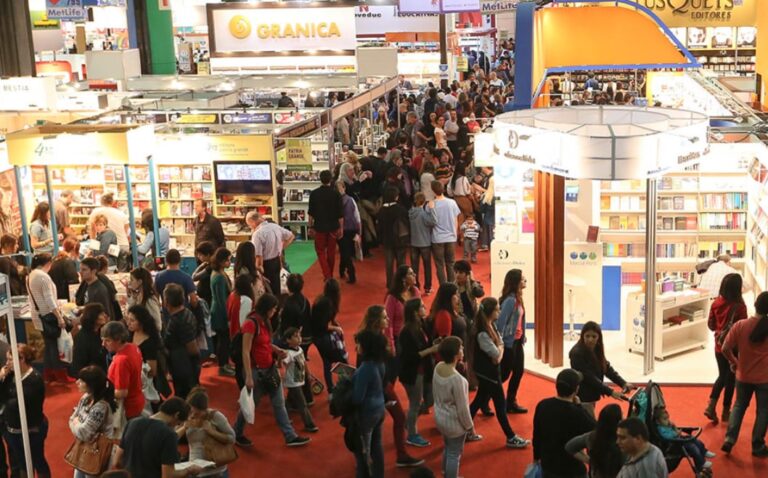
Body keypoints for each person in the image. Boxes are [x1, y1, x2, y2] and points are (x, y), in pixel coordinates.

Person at [232, 293, 310, 448]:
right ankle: (236, 432)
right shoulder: (251, 324)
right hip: (256, 371)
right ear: (267, 308)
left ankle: (290, 435)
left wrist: (275, 349)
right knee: (250, 405)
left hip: (269, 367)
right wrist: (248, 376)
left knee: (279, 403)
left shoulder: (264, 321)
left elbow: (265, 343)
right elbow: (245, 351)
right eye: (274, 308)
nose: (275, 311)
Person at [357, 306, 424, 467]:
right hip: (381, 387)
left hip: (385, 384)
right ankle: (387, 457)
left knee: (385, 423)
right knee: (379, 425)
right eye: (384, 317)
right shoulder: (371, 341)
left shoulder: (375, 337)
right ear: (376, 321)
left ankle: (389, 456)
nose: (388, 320)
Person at [469, 297, 529, 448]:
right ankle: (510, 436)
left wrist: (499, 350)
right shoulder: (483, 333)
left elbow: (499, 347)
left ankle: (465, 430)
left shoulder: (491, 326)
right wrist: (499, 351)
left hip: (490, 372)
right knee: (500, 406)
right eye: (497, 309)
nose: (500, 312)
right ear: (490, 312)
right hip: (488, 374)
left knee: (478, 401)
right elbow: (496, 355)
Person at [721, 291, 768, 456]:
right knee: (763, 411)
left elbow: (725, 348)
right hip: (765, 378)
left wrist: (735, 362)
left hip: (743, 375)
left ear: (755, 305)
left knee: (739, 405)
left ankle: (729, 439)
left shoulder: (741, 325)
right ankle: (757, 445)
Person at [114, 397, 201, 478]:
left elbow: (117, 461)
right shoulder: (168, 434)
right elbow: (168, 475)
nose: (176, 427)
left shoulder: (132, 423)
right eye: (178, 423)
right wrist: (188, 470)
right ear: (177, 415)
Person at [533, 369, 597, 478]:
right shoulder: (577, 413)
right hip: (572, 469)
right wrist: (579, 406)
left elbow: (537, 435)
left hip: (548, 465)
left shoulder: (543, 405)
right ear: (576, 390)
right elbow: (594, 429)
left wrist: (536, 458)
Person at [0, 345, 50, 478]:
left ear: (21, 359)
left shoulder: (34, 379)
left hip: (32, 430)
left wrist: (6, 401)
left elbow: (17, 405)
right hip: (12, 429)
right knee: (21, 462)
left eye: (10, 360)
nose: (7, 363)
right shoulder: (10, 375)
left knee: (37, 460)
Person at [705, 272, 747, 424]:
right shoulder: (740, 307)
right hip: (733, 348)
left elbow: (710, 325)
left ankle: (711, 406)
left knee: (722, 376)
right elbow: (742, 329)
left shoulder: (716, 303)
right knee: (730, 379)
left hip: (718, 346)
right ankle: (725, 411)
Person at [399, 299, 439, 448]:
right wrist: (431, 350)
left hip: (425, 370)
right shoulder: (406, 332)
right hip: (413, 373)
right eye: (422, 306)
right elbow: (411, 356)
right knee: (415, 404)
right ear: (415, 312)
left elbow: (426, 344)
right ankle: (412, 434)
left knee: (430, 399)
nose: (425, 308)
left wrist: (434, 344)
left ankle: (409, 422)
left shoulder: (422, 324)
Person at [569, 321, 631, 418]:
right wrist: (610, 392)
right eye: (587, 336)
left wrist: (623, 383)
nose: (590, 339)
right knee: (588, 423)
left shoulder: (596, 348)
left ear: (599, 337)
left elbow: (606, 368)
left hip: (591, 394)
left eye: (594, 336)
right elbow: (589, 377)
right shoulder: (576, 353)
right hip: (582, 396)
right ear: (582, 336)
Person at [432, 336, 473, 478]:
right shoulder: (458, 380)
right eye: (460, 347)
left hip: (440, 417)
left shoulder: (438, 367)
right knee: (455, 454)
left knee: (448, 448)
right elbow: (463, 409)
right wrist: (469, 426)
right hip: (454, 424)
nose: (462, 349)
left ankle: (445, 473)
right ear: (456, 355)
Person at [351, 330, 388, 478]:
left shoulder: (365, 368)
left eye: (359, 343)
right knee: (377, 445)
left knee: (363, 451)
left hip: (367, 412)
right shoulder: (380, 362)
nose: (357, 347)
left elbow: (357, 398)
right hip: (379, 408)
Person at [28, 253, 69, 383]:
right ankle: (60, 374)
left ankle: (48, 374)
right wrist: (59, 317)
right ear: (48, 263)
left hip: (39, 315)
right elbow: (49, 299)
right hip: (47, 315)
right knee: (53, 346)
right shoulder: (43, 277)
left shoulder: (31, 275)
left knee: (49, 345)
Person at [177, 387, 236, 478]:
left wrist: (212, 432)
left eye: (197, 413)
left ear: (205, 409)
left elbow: (232, 438)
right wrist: (184, 427)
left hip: (216, 471)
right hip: (195, 470)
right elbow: (173, 438)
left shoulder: (215, 416)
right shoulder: (186, 416)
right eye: (191, 411)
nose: (193, 415)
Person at [68, 365, 116, 478]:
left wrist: (75, 421)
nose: (77, 382)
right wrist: (75, 422)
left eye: (82, 380)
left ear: (91, 384)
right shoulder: (85, 398)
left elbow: (84, 433)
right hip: (83, 448)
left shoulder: (101, 407)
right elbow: (72, 419)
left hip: (97, 452)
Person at [496, 269, 528, 413]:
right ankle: (484, 399)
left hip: (517, 342)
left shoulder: (517, 298)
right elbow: (500, 323)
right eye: (522, 279)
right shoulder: (510, 300)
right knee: (503, 374)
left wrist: (522, 335)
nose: (524, 280)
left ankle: (510, 401)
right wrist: (500, 342)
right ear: (516, 282)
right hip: (509, 343)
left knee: (518, 371)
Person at [127, 304, 171, 407]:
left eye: (132, 321)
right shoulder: (130, 334)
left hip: (147, 383)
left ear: (141, 322)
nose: (128, 323)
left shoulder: (149, 342)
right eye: (128, 319)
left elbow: (152, 371)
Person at [101, 321, 145, 421]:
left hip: (127, 408)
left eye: (107, 340)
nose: (103, 344)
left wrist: (102, 392)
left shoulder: (121, 360)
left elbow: (121, 393)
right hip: (137, 399)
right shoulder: (133, 347)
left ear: (119, 339)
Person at [565, 404, 624, 478]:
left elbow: (570, 447)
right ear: (618, 421)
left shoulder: (592, 437)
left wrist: (589, 461)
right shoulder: (623, 441)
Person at [163, 284, 201, 398]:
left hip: (184, 366)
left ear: (167, 302)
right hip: (184, 364)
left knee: (186, 397)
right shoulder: (186, 313)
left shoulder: (179, 321)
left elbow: (192, 348)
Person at [654, 405, 715, 474]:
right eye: (665, 419)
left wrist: (674, 427)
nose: (668, 421)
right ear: (658, 421)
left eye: (668, 418)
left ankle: (704, 451)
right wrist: (676, 433)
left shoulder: (667, 425)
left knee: (695, 440)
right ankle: (701, 463)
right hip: (674, 444)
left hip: (679, 439)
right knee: (693, 448)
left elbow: (675, 431)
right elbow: (666, 436)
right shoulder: (661, 429)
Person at [311, 279, 347, 393]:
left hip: (318, 336)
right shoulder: (327, 303)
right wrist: (336, 328)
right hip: (321, 336)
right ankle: (344, 384)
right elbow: (323, 325)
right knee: (341, 358)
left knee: (327, 362)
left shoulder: (324, 300)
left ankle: (331, 389)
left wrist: (335, 324)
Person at [247, 210, 294, 294]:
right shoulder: (275, 226)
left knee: (268, 289)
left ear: (252, 222)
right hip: (277, 260)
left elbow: (258, 256)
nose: (250, 227)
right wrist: (281, 247)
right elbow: (291, 236)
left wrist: (258, 270)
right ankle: (277, 304)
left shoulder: (258, 234)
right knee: (277, 286)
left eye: (249, 225)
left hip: (266, 264)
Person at [281, 327, 319, 432]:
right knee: (302, 404)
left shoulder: (300, 349)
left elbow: (303, 362)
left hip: (299, 379)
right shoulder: (288, 353)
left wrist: (308, 373)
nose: (299, 338)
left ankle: (284, 415)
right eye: (296, 336)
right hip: (293, 382)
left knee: (289, 400)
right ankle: (309, 424)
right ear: (288, 340)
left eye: (299, 336)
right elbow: (282, 364)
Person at [308, 170, 343, 281]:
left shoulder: (314, 194)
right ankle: (330, 274)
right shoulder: (336, 194)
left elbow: (311, 213)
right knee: (331, 252)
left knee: (320, 251)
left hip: (319, 227)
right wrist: (341, 228)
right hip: (333, 227)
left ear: (320, 179)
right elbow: (340, 214)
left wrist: (310, 227)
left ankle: (327, 275)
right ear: (331, 179)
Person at [377, 186, 410, 289]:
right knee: (401, 263)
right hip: (400, 240)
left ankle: (390, 284)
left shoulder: (381, 211)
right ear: (396, 197)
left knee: (389, 264)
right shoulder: (401, 209)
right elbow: (407, 223)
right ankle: (401, 283)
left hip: (387, 241)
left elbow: (379, 228)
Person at [384, 265, 421, 350]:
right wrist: (391, 344)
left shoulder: (415, 291)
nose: (415, 275)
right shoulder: (392, 298)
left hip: (415, 334)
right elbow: (388, 323)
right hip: (399, 339)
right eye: (411, 274)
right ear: (403, 279)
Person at [430, 181, 460, 285]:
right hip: (451, 237)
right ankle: (452, 285)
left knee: (439, 264)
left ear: (433, 191)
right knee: (451, 263)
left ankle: (443, 286)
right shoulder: (452, 202)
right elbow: (456, 219)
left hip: (437, 238)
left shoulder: (431, 204)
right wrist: (455, 234)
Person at [88, 193, 130, 263]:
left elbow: (93, 230)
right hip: (123, 245)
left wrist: (93, 247)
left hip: (109, 248)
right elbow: (127, 230)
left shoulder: (96, 212)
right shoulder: (121, 213)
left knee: (108, 270)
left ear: (101, 201)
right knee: (122, 272)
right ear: (112, 202)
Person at [409, 193, 436, 294]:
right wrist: (432, 209)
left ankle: (415, 287)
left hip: (414, 242)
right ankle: (427, 287)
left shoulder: (410, 212)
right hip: (425, 242)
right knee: (427, 266)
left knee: (414, 267)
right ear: (424, 201)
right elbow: (433, 222)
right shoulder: (424, 213)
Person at [71, 303, 109, 375]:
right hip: (90, 376)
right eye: (101, 314)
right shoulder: (82, 337)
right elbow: (79, 363)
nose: (105, 315)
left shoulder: (100, 332)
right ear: (93, 317)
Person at [337, 180, 361, 284]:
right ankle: (347, 272)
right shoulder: (350, 200)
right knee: (346, 252)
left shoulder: (338, 201)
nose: (339, 190)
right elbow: (357, 216)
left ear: (344, 188)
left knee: (345, 252)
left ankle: (346, 271)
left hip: (347, 229)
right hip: (349, 228)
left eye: (340, 187)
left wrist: (359, 230)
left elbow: (357, 216)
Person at [125, 267, 162, 332]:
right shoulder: (137, 296)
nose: (129, 283)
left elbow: (158, 325)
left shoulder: (149, 300)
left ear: (140, 282)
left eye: (132, 280)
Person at [192, 241, 215, 305]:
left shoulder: (210, 266)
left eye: (200, 254)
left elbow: (194, 277)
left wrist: (201, 266)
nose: (198, 256)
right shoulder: (209, 264)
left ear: (207, 255)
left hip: (207, 298)